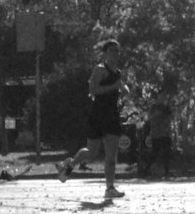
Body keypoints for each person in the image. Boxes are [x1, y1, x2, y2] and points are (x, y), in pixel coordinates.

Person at [58, 37, 127, 200]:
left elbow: (122, 86)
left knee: (111, 155)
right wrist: (113, 87)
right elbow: (93, 90)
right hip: (98, 114)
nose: (115, 54)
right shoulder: (99, 69)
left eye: (117, 51)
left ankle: (109, 187)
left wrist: (124, 89)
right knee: (91, 152)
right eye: (112, 50)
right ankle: (70, 164)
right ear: (105, 53)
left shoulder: (118, 73)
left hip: (112, 116)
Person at [138, 91, 176, 179]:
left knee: (166, 153)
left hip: (165, 134)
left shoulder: (166, 108)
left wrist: (168, 127)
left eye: (164, 97)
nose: (162, 99)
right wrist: (155, 115)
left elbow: (170, 118)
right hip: (156, 134)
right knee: (154, 153)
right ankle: (146, 171)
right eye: (161, 97)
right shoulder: (153, 108)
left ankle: (166, 171)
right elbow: (149, 119)